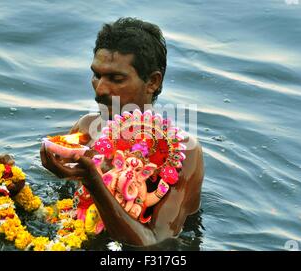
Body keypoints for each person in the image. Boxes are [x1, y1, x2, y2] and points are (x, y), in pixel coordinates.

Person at [40, 17, 204, 246]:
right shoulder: (87, 129)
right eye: (97, 75)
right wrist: (17, 196)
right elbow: (65, 206)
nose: (100, 90)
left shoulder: (183, 154)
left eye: (116, 79)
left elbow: (156, 243)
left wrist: (92, 181)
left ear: (153, 82)